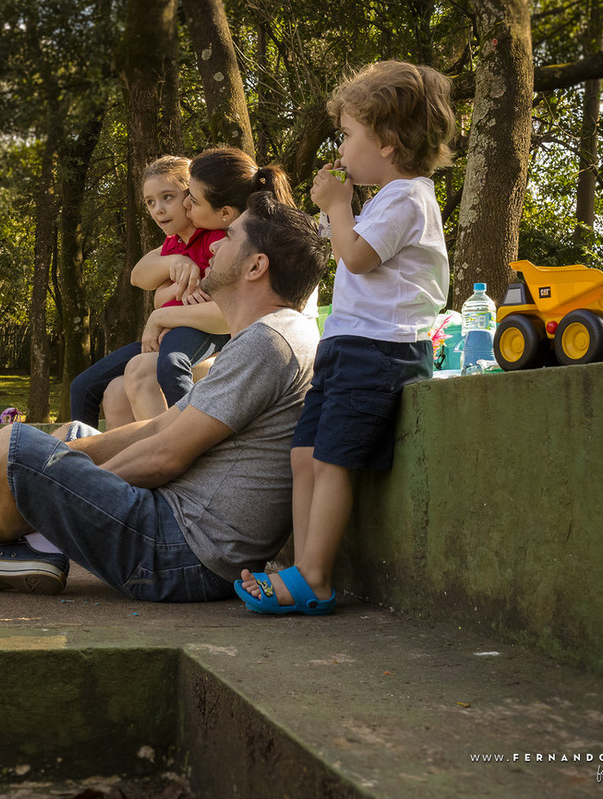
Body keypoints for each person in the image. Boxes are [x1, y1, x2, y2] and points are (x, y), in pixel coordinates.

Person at [0, 192, 326, 602]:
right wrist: (62, 467)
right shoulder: (268, 336)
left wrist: (62, 490)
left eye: (229, 237)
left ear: (256, 266)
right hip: (179, 535)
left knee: (7, 449)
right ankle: (28, 551)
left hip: (182, 553)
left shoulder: (269, 342)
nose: (213, 246)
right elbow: (158, 426)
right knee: (71, 434)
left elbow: (165, 456)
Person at [237, 60, 457, 615]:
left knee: (332, 459)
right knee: (304, 455)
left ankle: (315, 577)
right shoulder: (386, 198)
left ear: (386, 141)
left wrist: (339, 206)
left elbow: (355, 257)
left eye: (347, 134)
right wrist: (336, 207)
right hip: (347, 346)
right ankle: (300, 565)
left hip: (381, 350)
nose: (339, 147)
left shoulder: (409, 198)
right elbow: (343, 245)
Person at [109, 147, 300, 426]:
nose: (186, 205)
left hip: (255, 358)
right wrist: (172, 273)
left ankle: (177, 442)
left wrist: (160, 315)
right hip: (233, 348)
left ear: (224, 213)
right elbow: (141, 277)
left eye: (193, 200)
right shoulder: (212, 240)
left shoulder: (242, 247)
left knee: (142, 369)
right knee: (115, 391)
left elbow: (229, 314)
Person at [67, 155, 231, 428]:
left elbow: (221, 298)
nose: (158, 210)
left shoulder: (213, 237)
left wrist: (180, 290)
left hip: (199, 333)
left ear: (190, 197)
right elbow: (139, 278)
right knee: (82, 386)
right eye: (150, 202)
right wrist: (175, 269)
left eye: (167, 197)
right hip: (165, 334)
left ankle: (186, 435)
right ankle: (79, 450)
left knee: (169, 365)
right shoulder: (172, 244)